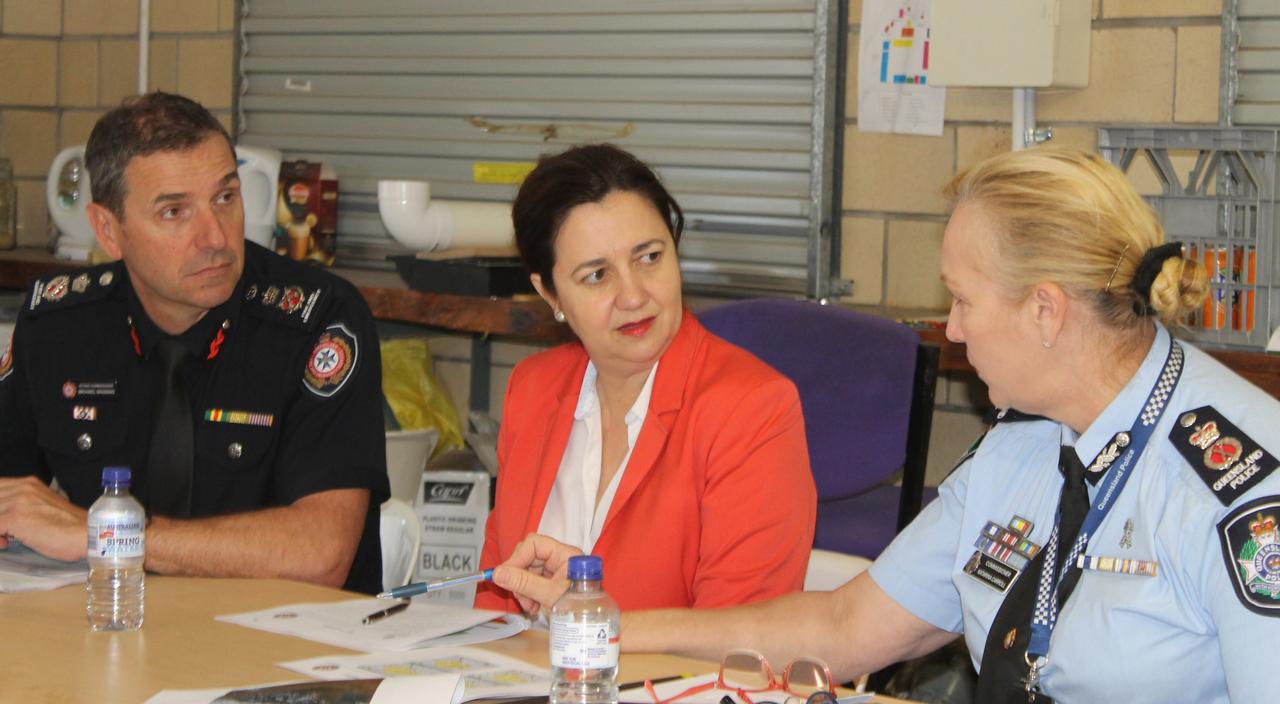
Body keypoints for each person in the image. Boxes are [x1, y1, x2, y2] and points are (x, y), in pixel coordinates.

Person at [490, 148, 1280, 702]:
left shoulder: (1242, 485)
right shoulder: (1019, 453)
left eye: (962, 301)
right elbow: (843, 625)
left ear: (1045, 310)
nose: (952, 331)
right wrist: (606, 622)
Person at [0, 92, 388, 594]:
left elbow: (320, 553)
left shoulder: (319, 319)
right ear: (107, 230)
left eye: (225, 198)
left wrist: (104, 534)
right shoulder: (59, 326)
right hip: (112, 634)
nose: (214, 238)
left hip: (284, 649)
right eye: (174, 212)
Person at [474, 144, 816, 612]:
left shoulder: (752, 408)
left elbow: (742, 645)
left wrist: (592, 625)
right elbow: (496, 605)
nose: (633, 295)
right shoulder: (531, 389)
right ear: (548, 293)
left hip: (668, 686)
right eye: (597, 275)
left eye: (650, 257)